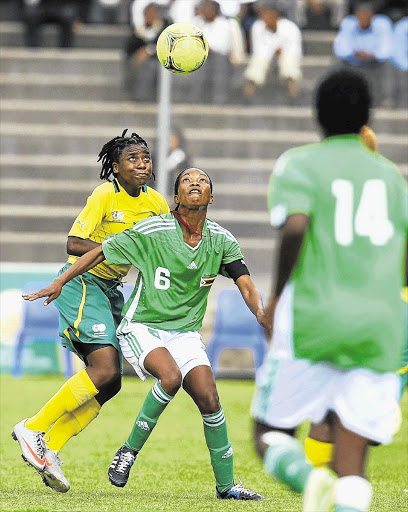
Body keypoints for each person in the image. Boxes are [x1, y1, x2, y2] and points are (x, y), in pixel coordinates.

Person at [22, 167, 268, 501]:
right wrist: (61, 280)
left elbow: (246, 283)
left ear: (211, 197)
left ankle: (226, 486)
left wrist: (263, 315)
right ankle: (126, 452)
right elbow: (101, 251)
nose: (196, 183)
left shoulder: (221, 240)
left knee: (210, 398)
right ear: (176, 198)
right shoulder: (153, 229)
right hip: (142, 326)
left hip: (184, 333)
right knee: (170, 377)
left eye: (203, 181)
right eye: (186, 181)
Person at [250, 69, 408, 512]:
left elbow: (296, 224)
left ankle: (310, 479)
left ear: (317, 114)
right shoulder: (392, 178)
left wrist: (278, 294)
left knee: (269, 433)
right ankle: (341, 491)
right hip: (380, 324)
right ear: (367, 118)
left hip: (316, 318)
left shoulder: (299, 164)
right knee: (353, 459)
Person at [12, 130, 170, 493]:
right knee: (105, 368)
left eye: (146, 158)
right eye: (132, 158)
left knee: (111, 382)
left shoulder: (156, 203)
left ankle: (50, 447)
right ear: (115, 167)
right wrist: (119, 248)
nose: (142, 164)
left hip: (113, 291)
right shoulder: (104, 195)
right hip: (83, 284)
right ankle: (33, 428)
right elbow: (72, 242)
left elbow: (161, 249)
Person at [333, 1, 393, 105]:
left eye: (366, 16)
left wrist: (371, 55)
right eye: (360, 16)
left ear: (372, 16)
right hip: (352, 64)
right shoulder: (348, 23)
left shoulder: (383, 24)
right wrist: (356, 54)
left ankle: (386, 100)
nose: (363, 18)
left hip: (376, 65)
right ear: (356, 16)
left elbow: (386, 51)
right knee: (337, 61)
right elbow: (341, 49)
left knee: (390, 63)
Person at [243, 0, 303, 103]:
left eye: (267, 13)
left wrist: (281, 52)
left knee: (289, 62)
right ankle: (248, 96)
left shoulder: (291, 28)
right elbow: (257, 51)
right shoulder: (257, 27)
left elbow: (296, 51)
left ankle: (293, 94)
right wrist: (272, 51)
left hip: (286, 57)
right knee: (258, 62)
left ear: (276, 14)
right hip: (265, 58)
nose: (264, 16)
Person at [124, 2, 171, 102]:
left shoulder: (166, 26)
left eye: (152, 14)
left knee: (150, 66)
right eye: (147, 14)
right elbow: (130, 48)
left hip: (160, 61)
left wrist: (148, 51)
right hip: (141, 63)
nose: (149, 17)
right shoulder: (139, 31)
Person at [22, 0, 87, 48]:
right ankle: (33, 49)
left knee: (69, 17)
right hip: (43, 7)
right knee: (31, 16)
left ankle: (65, 51)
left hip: (63, 8)